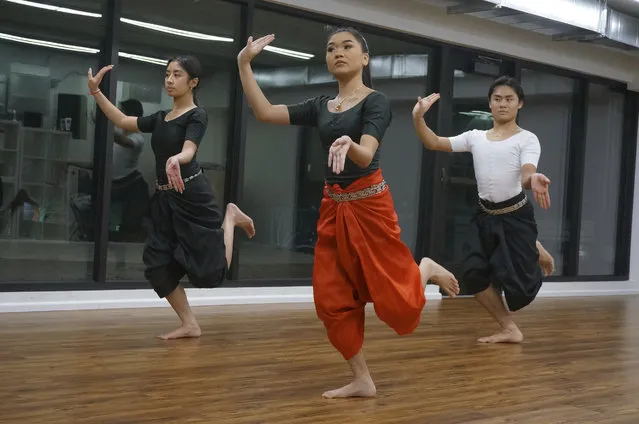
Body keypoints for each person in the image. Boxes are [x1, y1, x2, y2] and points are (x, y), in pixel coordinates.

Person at [237, 27, 460, 399]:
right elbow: (264, 112)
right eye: (330, 48)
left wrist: (349, 142)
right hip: (333, 209)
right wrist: (244, 64)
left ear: (365, 58)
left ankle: (423, 269)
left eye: (347, 46)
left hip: (371, 206)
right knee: (331, 299)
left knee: (398, 307)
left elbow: (367, 154)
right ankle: (362, 379)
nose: (338, 52)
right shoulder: (321, 105)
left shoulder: (377, 102)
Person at [87, 56, 255, 340]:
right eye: (167, 74)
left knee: (209, 274)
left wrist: (177, 157)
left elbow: (189, 150)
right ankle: (190, 324)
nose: (169, 79)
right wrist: (96, 92)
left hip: (192, 196)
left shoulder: (196, 116)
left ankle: (230, 217)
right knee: (156, 265)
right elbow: (121, 119)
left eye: (177, 75)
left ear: (193, 82)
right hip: (165, 200)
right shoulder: (161, 117)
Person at [412, 75, 552, 344]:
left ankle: (532, 247)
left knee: (520, 288)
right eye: (497, 99)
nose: (502, 104)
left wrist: (533, 180)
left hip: (516, 217)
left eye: (509, 99)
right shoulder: (475, 137)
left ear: (519, 104)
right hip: (484, 216)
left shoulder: (527, 140)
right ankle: (509, 328)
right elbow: (434, 142)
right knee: (473, 275)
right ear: (489, 103)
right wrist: (419, 118)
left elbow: (526, 173)